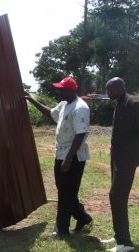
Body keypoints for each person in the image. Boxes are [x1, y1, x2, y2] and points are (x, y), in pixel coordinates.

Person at [25, 76, 92, 236]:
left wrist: (68, 159)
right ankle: (83, 217)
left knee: (66, 192)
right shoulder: (64, 104)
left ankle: (61, 229)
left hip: (73, 156)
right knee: (64, 189)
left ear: (70, 90)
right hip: (61, 154)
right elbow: (50, 113)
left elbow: (81, 134)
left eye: (62, 89)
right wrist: (31, 100)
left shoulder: (80, 107)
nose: (59, 92)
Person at [101, 77, 139, 252]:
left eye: (110, 90)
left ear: (120, 87)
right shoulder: (120, 102)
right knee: (117, 196)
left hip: (127, 158)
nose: (108, 93)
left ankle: (125, 243)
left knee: (116, 196)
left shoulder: (132, 103)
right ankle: (119, 235)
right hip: (117, 157)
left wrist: (128, 143)